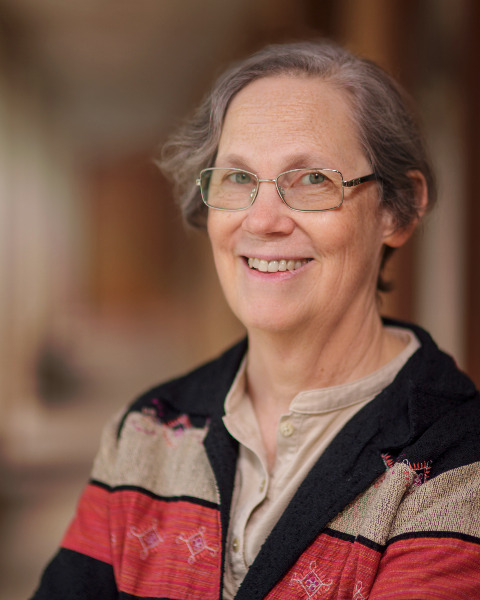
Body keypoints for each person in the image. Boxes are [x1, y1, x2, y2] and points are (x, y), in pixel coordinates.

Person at [31, 40, 480, 600]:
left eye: (312, 179)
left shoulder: (458, 466)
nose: (262, 220)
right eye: (238, 178)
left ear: (399, 209)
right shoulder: (147, 431)